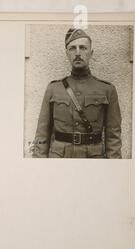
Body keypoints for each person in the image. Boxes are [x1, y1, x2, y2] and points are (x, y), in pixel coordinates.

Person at [32, 28, 122, 158]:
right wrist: (39, 162)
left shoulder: (107, 90)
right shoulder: (53, 89)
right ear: (67, 53)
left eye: (83, 48)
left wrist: (114, 167)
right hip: (59, 158)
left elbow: (113, 136)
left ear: (91, 53)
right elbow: (42, 132)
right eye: (72, 48)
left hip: (93, 159)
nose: (78, 53)